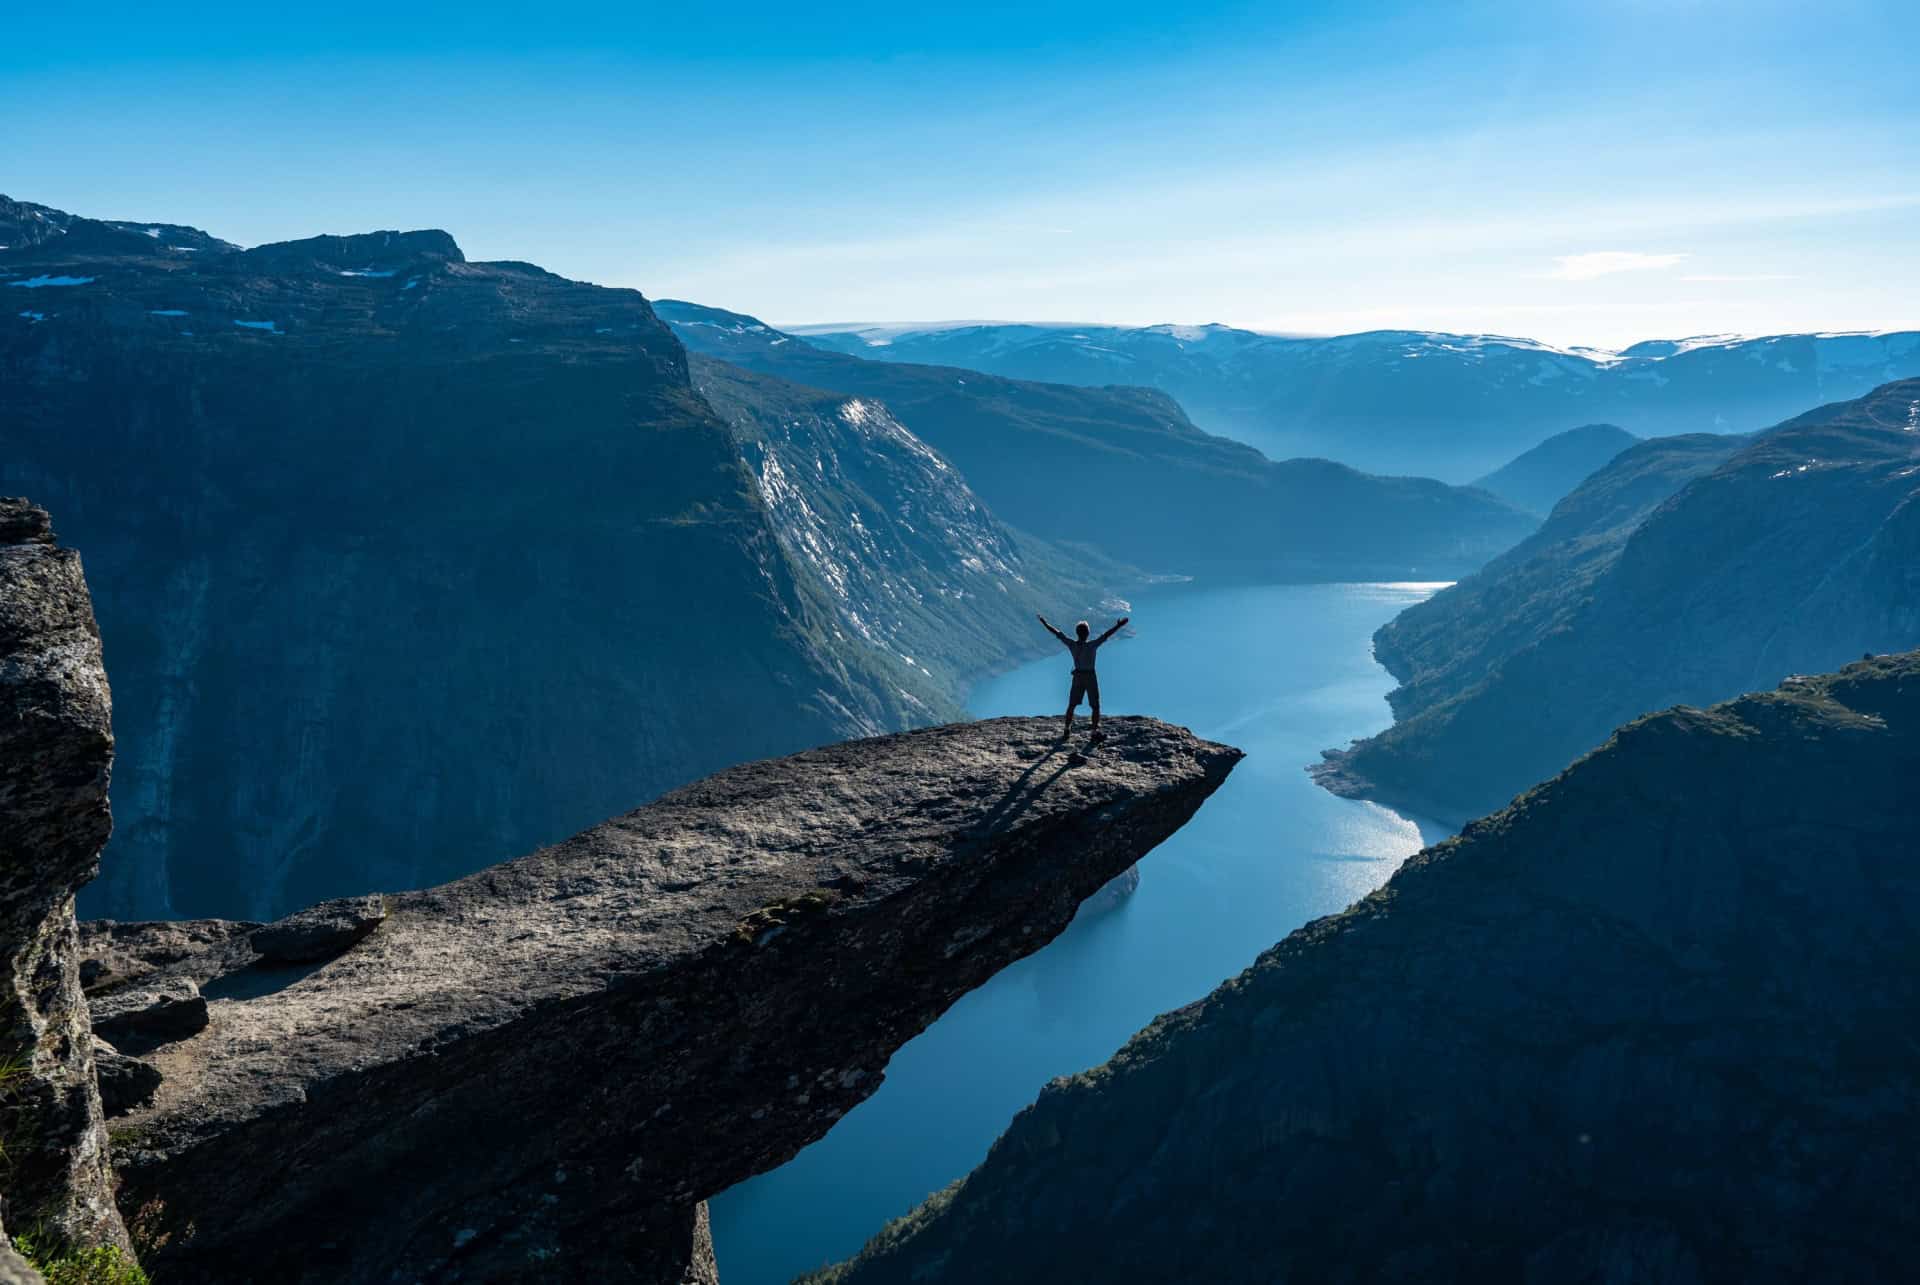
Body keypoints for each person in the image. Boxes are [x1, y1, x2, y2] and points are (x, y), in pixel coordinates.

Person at [1037, 613, 1128, 739]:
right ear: (1088, 633)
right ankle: (1094, 732)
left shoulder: (1072, 645)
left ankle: (1067, 729)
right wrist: (1119, 626)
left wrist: (1044, 622)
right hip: (1090, 676)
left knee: (1072, 705)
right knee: (1095, 706)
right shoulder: (1092, 645)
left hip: (1078, 676)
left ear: (1077, 633)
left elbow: (1058, 633)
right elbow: (1107, 635)